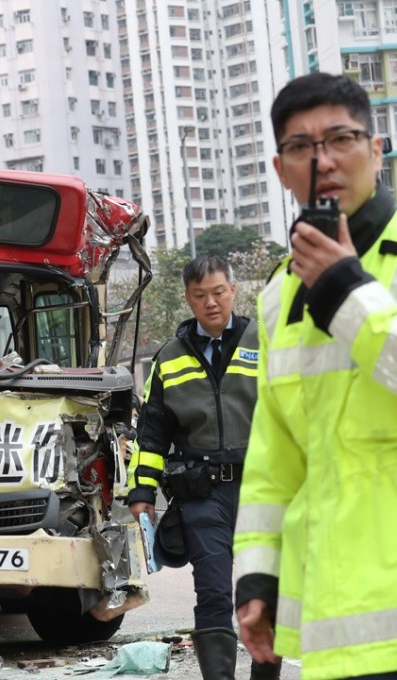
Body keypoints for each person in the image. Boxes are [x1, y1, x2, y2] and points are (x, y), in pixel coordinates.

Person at [234, 72, 397, 679]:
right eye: (301, 147)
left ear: (376, 149)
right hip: (338, 630)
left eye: (341, 138)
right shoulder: (279, 294)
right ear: (281, 168)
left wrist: (348, 292)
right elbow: (275, 454)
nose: (323, 160)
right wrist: (257, 576)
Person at [127, 254, 280, 680]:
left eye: (218, 292)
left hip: (262, 491)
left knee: (266, 595)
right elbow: (153, 433)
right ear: (188, 300)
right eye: (200, 295)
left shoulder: (266, 341)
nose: (210, 302)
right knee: (212, 593)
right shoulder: (170, 358)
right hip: (202, 493)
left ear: (233, 290)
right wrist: (142, 493)